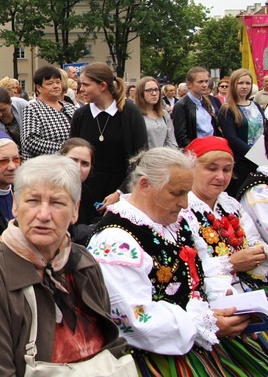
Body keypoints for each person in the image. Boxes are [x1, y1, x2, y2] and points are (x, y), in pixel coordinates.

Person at [88, 148, 263, 374]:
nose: (184, 203)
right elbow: (134, 318)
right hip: (155, 355)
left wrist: (222, 300)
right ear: (144, 185)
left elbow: (204, 269)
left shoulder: (174, 222)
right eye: (176, 193)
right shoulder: (116, 239)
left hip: (196, 341)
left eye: (186, 193)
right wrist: (203, 324)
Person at [0, 155, 130, 376]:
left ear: (75, 211)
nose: (43, 215)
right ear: (16, 205)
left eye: (57, 203)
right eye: (32, 201)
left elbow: (112, 342)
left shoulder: (82, 261)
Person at [184, 137, 268, 293]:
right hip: (209, 295)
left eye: (227, 169)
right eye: (212, 168)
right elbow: (186, 267)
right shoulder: (182, 209)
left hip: (247, 289)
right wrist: (230, 263)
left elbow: (253, 239)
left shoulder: (229, 204)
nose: (221, 177)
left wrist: (258, 251)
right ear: (190, 168)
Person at [71, 62, 147, 214]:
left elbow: (141, 158)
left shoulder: (130, 113)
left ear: (103, 86)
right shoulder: (81, 115)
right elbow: (71, 155)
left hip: (122, 193)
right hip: (85, 194)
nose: (81, 89)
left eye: (86, 84)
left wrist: (120, 193)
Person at [218, 68, 265, 196]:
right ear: (234, 85)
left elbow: (264, 129)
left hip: (261, 159)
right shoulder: (227, 109)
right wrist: (253, 154)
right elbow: (231, 138)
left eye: (248, 83)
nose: (244, 87)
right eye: (241, 83)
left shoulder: (255, 105)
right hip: (241, 162)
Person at [20, 66, 76, 160]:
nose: (56, 86)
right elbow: (29, 142)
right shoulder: (32, 109)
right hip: (45, 166)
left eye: (58, 82)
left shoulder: (71, 108)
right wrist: (66, 150)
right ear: (39, 88)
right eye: (50, 83)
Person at [59, 138, 98, 244]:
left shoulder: (85, 191)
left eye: (85, 164)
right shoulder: (51, 191)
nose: (78, 168)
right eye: (73, 160)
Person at [172, 66, 220, 148]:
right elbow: (181, 137)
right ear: (189, 84)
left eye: (206, 81)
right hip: (196, 152)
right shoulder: (181, 105)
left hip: (212, 148)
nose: (205, 85)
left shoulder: (207, 102)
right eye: (200, 82)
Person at [136, 76, 177, 149]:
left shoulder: (164, 114)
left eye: (156, 89)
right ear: (141, 93)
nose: (154, 93)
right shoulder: (136, 115)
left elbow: (171, 142)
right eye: (149, 90)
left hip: (165, 157)